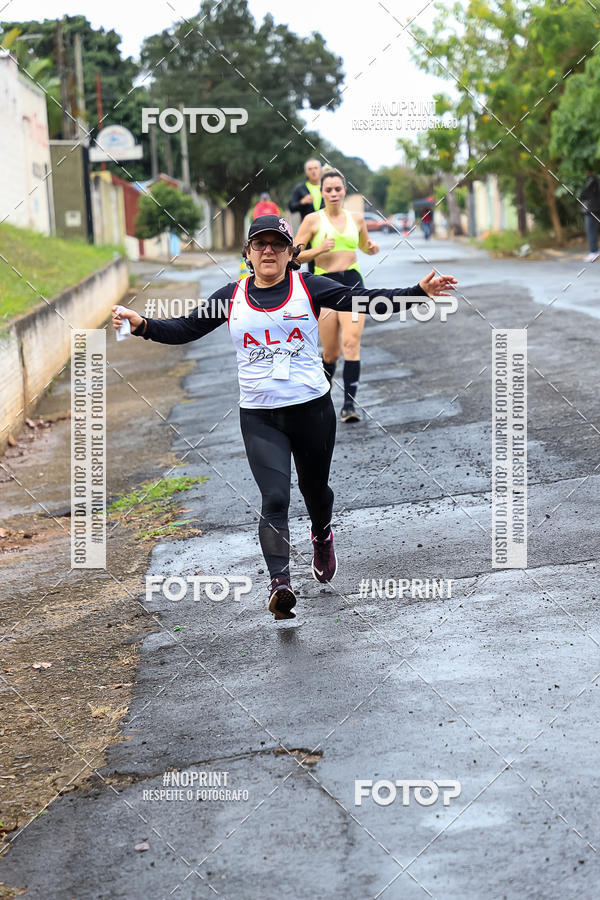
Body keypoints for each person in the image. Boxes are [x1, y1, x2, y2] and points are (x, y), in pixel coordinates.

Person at [112, 214, 457, 622]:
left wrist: (419, 292)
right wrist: (142, 325)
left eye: (278, 244)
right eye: (260, 244)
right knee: (274, 498)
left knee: (315, 492)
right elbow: (186, 327)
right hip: (259, 416)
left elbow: (364, 300)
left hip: (312, 409)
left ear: (292, 253)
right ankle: (280, 585)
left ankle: (322, 533)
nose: (269, 251)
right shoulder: (231, 296)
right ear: (247, 254)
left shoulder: (308, 287)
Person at [294, 168, 378, 424]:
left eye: (337, 189)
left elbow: (364, 244)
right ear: (322, 192)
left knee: (351, 343)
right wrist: (319, 248)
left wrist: (371, 248)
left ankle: (349, 405)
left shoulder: (357, 218)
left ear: (344, 191)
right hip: (324, 285)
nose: (333, 193)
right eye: (328, 189)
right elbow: (294, 255)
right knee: (331, 352)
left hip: (352, 283)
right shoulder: (312, 221)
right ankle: (323, 398)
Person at [288, 158, 325, 274]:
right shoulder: (300, 188)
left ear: (320, 170)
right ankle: (315, 283)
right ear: (306, 172)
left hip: (326, 229)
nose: (313, 171)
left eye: (316, 168)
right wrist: (302, 202)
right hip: (309, 231)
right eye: (310, 169)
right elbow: (291, 206)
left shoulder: (327, 186)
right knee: (311, 257)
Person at [578, 171, 600, 262]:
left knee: (590, 231)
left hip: (591, 209)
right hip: (591, 208)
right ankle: (594, 251)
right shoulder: (592, 180)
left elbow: (585, 193)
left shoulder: (592, 179)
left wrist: (579, 195)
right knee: (591, 231)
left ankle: (593, 252)